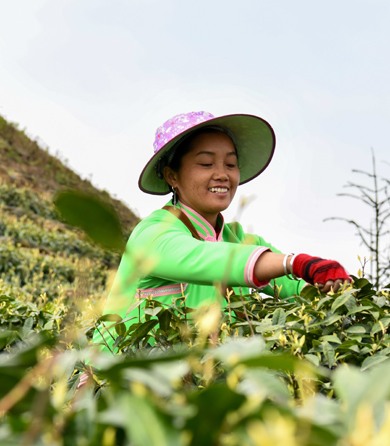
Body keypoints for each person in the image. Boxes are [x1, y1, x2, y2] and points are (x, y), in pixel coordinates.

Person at [93, 111, 351, 352]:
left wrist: (334, 285)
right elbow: (204, 257)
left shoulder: (237, 239)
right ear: (172, 176)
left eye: (230, 165)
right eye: (205, 164)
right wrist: (295, 262)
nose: (222, 175)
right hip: (114, 383)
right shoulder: (154, 232)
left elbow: (292, 285)